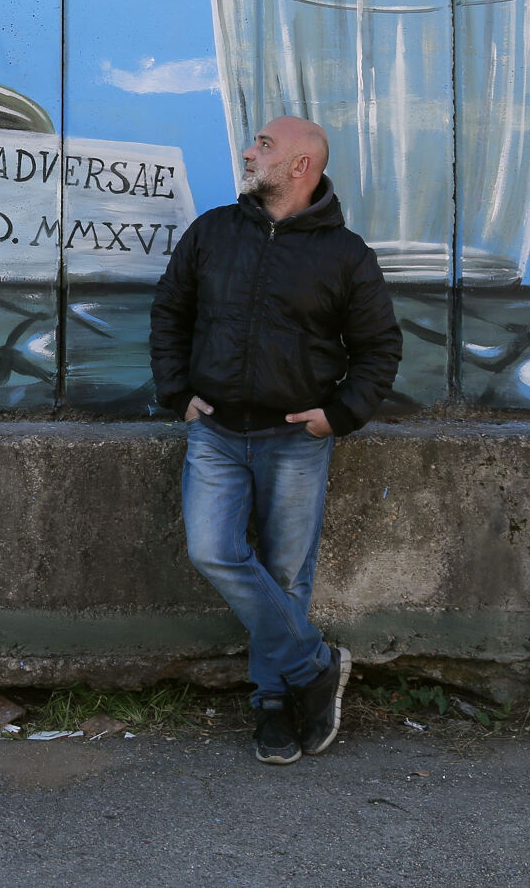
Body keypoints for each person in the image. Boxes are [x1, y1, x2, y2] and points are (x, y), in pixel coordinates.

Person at [149, 115, 403, 765]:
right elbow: (170, 311)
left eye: (264, 145)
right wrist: (178, 392)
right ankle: (316, 664)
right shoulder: (212, 233)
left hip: (296, 440)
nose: (247, 151)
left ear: (301, 166)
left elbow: (379, 347)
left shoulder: (344, 254)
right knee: (213, 550)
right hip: (217, 434)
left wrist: (339, 414)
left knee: (286, 575)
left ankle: (274, 704)